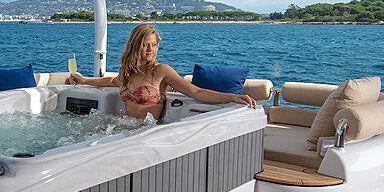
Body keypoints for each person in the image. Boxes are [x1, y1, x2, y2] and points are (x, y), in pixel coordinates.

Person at [70, 24, 256, 120]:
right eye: (145, 45)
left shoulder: (162, 71)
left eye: (154, 45)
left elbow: (195, 92)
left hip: (147, 131)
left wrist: (232, 97)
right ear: (135, 46)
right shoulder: (129, 71)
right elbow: (112, 82)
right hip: (123, 128)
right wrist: (84, 80)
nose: (150, 49)